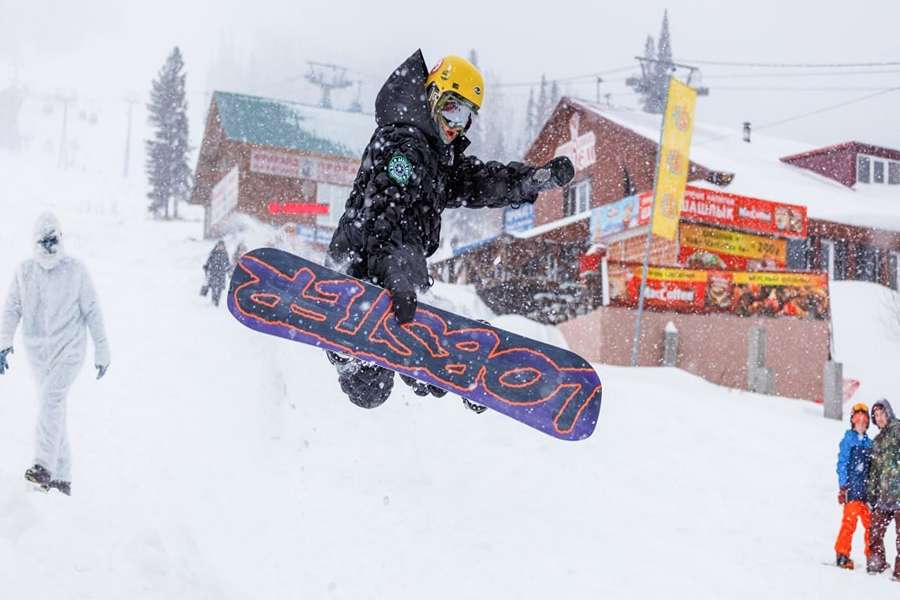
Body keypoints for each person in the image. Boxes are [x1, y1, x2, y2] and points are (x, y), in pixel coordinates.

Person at [325, 50, 574, 410]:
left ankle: (432, 358)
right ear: (433, 96)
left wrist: (531, 181)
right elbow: (384, 214)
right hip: (365, 264)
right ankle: (364, 352)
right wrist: (396, 276)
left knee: (372, 392)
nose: (458, 124)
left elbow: (481, 181)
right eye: (453, 109)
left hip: (399, 271)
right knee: (368, 383)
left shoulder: (436, 156)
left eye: (468, 117)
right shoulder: (404, 144)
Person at [0, 212, 110, 496]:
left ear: (61, 239)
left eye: (53, 240)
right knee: (54, 409)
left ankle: (42, 467)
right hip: (38, 354)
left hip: (70, 350)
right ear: (34, 242)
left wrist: (102, 348)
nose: (49, 246)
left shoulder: (75, 270)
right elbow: (12, 308)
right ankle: (62, 478)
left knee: (50, 401)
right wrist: (4, 341)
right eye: (43, 241)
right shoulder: (24, 272)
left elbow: (93, 310)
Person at [833, 402, 872, 569]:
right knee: (849, 522)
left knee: (871, 525)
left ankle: (873, 557)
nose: (861, 422)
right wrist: (843, 486)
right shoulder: (848, 440)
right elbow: (842, 464)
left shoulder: (870, 443)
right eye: (857, 419)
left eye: (864, 420)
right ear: (853, 421)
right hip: (852, 490)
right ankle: (842, 554)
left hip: (866, 492)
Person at [866, 398, 900, 580]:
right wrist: (872, 495)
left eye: (881, 413)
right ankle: (876, 564)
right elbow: (874, 472)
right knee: (874, 531)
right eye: (876, 415)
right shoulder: (877, 441)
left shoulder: (898, 430)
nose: (879, 418)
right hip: (884, 496)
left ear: (889, 412)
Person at [203, 240, 231, 307]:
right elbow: (208, 261)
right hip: (213, 273)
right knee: (213, 287)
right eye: (219, 245)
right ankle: (213, 299)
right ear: (217, 245)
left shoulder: (225, 254)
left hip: (221, 274)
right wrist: (206, 266)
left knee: (219, 288)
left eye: (222, 246)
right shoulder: (213, 253)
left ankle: (217, 301)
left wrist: (229, 271)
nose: (220, 247)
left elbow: (227, 263)